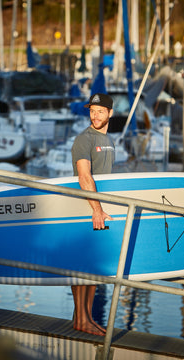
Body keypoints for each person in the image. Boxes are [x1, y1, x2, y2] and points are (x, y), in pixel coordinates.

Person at [70, 93, 115, 336]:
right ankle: (81, 319)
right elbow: (84, 176)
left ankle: (84, 319)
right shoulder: (84, 140)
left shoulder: (108, 140)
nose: (95, 115)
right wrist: (96, 209)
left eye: (100, 111)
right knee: (82, 264)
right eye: (92, 110)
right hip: (85, 207)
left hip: (99, 207)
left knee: (94, 266)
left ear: (110, 113)